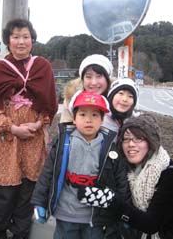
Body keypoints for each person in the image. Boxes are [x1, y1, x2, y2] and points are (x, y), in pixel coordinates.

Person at [0, 18, 58, 239]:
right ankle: (0, 231)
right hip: (6, 138)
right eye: (15, 37)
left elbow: (50, 103)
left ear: (32, 40)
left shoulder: (42, 67)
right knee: (5, 190)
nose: (21, 41)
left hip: (33, 138)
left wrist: (37, 124)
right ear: (8, 40)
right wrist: (12, 128)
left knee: (28, 189)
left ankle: (21, 232)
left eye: (25, 36)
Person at [31, 91, 129, 239]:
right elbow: (48, 173)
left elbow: (120, 179)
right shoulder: (64, 142)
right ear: (74, 119)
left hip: (95, 217)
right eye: (83, 115)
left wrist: (124, 210)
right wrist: (39, 202)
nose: (88, 120)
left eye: (95, 115)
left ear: (102, 119)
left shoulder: (109, 147)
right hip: (66, 213)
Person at [94, 113, 173, 239]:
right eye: (126, 139)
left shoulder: (172, 176)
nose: (131, 144)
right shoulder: (129, 173)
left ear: (151, 142)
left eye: (138, 138)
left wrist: (112, 202)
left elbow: (151, 224)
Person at [60, 54, 113, 123]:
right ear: (82, 79)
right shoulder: (72, 99)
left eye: (99, 76)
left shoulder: (118, 99)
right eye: (88, 77)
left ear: (107, 78)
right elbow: (66, 128)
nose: (94, 83)